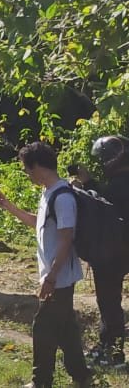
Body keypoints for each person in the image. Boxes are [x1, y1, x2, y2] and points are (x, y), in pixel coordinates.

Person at [0, 142, 91, 388]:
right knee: (66, 329)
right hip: (57, 277)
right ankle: (81, 377)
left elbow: (66, 239)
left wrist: (51, 278)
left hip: (60, 278)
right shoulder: (49, 192)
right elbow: (39, 223)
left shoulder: (63, 197)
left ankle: (41, 382)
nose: (26, 174)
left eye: (27, 169)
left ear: (37, 166)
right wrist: (9, 207)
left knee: (43, 328)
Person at [79, 135, 129, 367]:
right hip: (120, 252)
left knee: (108, 301)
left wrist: (85, 187)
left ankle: (113, 352)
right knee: (111, 300)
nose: (101, 165)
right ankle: (109, 345)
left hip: (113, 253)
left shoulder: (119, 186)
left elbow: (101, 207)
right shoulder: (120, 183)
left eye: (103, 160)